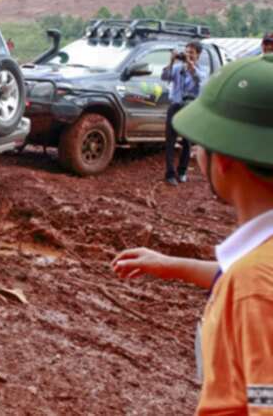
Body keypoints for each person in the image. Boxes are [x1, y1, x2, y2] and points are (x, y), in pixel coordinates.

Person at [113, 54, 273, 414]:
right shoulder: (255, 270)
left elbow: (266, 397)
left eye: (200, 144)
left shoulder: (254, 287)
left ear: (225, 159)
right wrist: (170, 265)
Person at [161, 41, 208, 186]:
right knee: (170, 141)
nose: (188, 55)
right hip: (175, 106)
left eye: (191, 53)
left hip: (190, 109)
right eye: (186, 52)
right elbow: (165, 77)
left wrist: (190, 65)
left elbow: (199, 79)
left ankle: (182, 172)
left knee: (187, 143)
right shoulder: (177, 68)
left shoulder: (202, 70)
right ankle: (169, 174)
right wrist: (171, 61)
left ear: (198, 55)